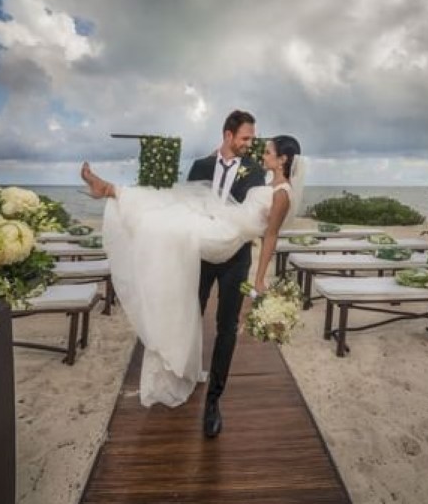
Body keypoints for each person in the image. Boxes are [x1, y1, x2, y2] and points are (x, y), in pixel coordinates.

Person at [80, 115, 302, 439]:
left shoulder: (257, 171)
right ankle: (184, 371)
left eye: (254, 141)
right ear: (227, 135)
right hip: (200, 253)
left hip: (234, 254)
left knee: (226, 328)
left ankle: (213, 402)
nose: (250, 145)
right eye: (244, 138)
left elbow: (270, 230)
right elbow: (182, 196)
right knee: (186, 303)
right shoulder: (200, 166)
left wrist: (259, 277)